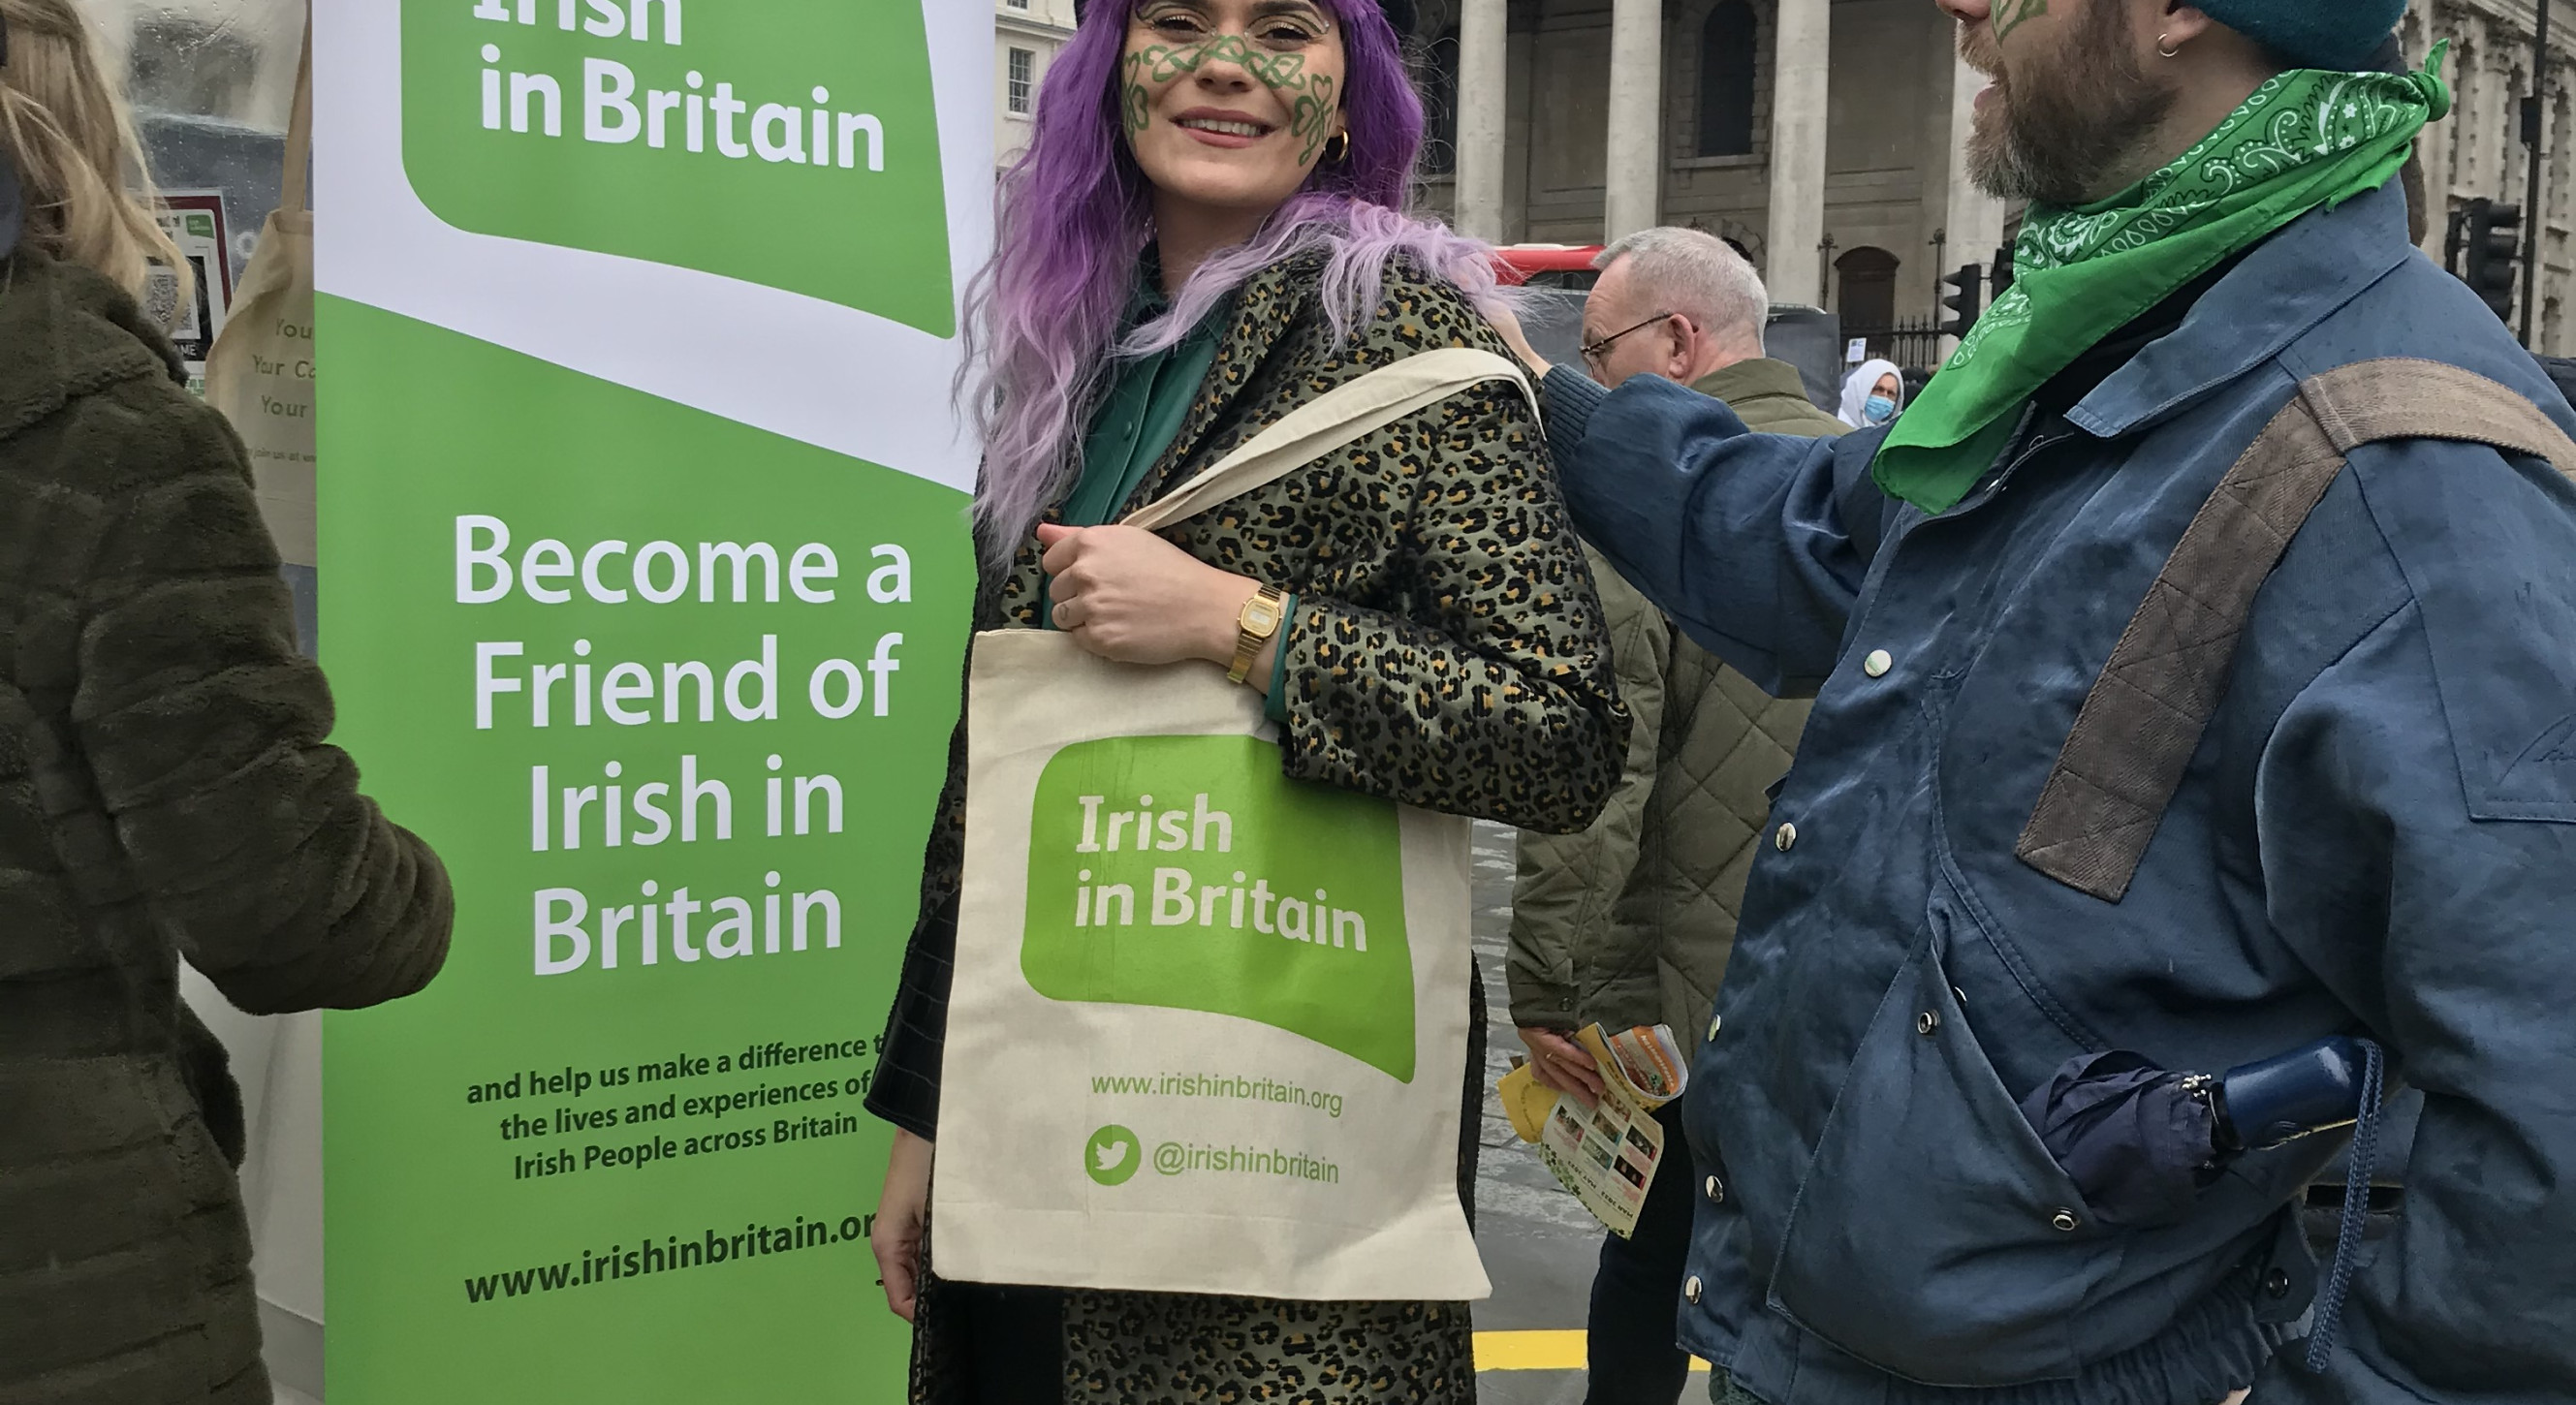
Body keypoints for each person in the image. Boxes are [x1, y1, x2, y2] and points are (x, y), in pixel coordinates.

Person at [1490, 1, 2576, 1402]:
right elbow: (1813, 540)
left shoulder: (2403, 469)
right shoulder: (2107, 340)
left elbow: (2543, 1133)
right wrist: (1537, 395)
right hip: (1836, 1342)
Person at [862, 2, 1627, 1401]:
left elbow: (1558, 727)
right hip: (1040, 1086)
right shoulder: (1072, 351)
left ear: (1346, 98)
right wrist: (927, 1110)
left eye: (1283, 27)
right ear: (1109, 74)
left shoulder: (1399, 332)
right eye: (1177, 21)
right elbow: (990, 782)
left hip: (1272, 1120)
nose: (1226, 62)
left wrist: (1242, 626)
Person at [0, 4, 456, 1402]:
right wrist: (425, 890)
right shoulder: (107, 438)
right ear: (71, 140)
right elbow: (285, 902)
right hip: (68, 1267)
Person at [1505, 228, 1845, 1405]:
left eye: (1599, 352)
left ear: (1677, 343)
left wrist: (1547, 984)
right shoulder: (1868, 481)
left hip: (1682, 990)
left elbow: (1591, 768)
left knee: (1648, 1258)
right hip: (1845, 988)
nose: (1595, 381)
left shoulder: (1644, 511)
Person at [1838, 358, 1906, 428]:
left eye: (1890, 393)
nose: (1884, 397)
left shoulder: (1893, 431)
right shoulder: (1836, 425)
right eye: (1878, 389)